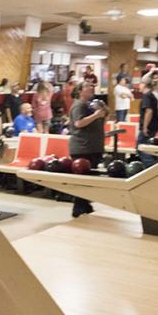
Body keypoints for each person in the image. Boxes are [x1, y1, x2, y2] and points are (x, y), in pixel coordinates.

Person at [68, 81, 107, 218]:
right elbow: (79, 123)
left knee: (87, 180)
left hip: (91, 147)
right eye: (88, 86)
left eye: (92, 86)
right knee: (83, 180)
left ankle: (84, 206)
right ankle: (79, 208)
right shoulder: (79, 105)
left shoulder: (89, 105)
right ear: (80, 91)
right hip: (82, 148)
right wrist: (96, 115)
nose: (92, 87)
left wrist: (102, 114)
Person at [136, 82, 158, 167]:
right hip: (154, 126)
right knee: (149, 148)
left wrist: (145, 127)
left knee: (140, 148)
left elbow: (149, 111)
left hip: (148, 127)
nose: (138, 85)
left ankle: (151, 167)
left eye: (140, 83)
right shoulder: (152, 95)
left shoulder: (146, 96)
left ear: (145, 85)